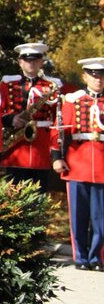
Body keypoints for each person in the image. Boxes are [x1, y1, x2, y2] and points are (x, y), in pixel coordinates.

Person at [51, 57, 104, 271]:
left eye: (100, 75)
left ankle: (97, 257)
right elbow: (59, 130)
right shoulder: (74, 100)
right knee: (78, 215)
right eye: (93, 75)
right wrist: (57, 157)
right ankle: (81, 257)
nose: (97, 79)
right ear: (84, 77)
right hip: (78, 161)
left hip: (102, 164)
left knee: (101, 217)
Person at [0, 42, 62, 188]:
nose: (31, 63)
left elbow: (58, 120)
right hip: (15, 149)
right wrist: (11, 119)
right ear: (20, 62)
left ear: (41, 62)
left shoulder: (52, 86)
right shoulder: (8, 84)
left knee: (39, 199)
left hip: (41, 147)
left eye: (35, 60)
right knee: (14, 198)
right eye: (27, 60)